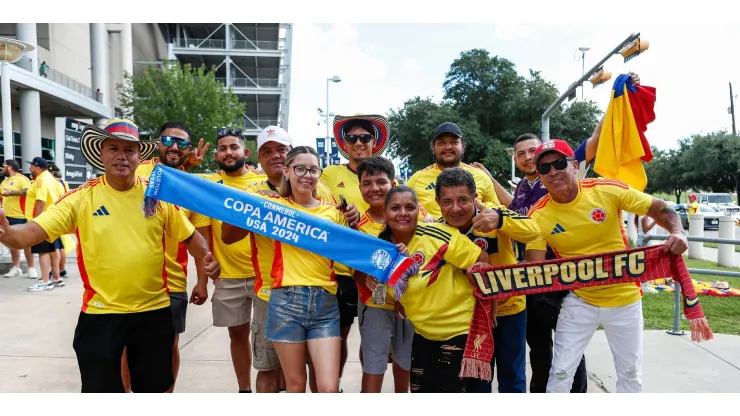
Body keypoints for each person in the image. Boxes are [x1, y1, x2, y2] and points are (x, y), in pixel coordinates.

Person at [0, 119, 221, 393]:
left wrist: (206, 256)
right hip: (101, 313)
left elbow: (190, 236)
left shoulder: (156, 197)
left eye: (129, 150)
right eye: (113, 148)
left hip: (153, 312)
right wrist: (6, 233)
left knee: (155, 391)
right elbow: (33, 231)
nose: (121, 156)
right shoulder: (81, 198)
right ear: (101, 154)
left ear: (139, 156)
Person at [525, 139, 688, 393]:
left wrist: (679, 233)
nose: (553, 172)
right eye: (544, 168)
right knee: (560, 373)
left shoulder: (606, 190)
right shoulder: (537, 215)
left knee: (630, 375)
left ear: (575, 165)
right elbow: (534, 268)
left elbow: (659, 207)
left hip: (625, 300)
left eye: (559, 163)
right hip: (580, 301)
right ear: (540, 177)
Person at [222, 146, 358, 393]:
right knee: (295, 385)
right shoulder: (272, 208)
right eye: (300, 169)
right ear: (286, 171)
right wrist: (254, 201)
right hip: (284, 303)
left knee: (328, 387)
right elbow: (230, 229)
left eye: (313, 170)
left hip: (325, 305)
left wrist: (355, 220)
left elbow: (355, 252)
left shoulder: (334, 212)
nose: (307, 175)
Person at [240, 126, 336, 393]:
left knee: (323, 380)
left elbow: (350, 239)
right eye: (267, 151)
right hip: (273, 295)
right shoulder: (257, 195)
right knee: (274, 373)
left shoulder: (326, 196)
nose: (275, 155)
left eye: (281, 149)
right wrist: (257, 209)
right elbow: (228, 233)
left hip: (323, 299)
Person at [432, 168, 545, 393]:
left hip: (509, 309)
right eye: (447, 201)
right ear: (437, 202)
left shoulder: (493, 214)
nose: (455, 208)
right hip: (467, 316)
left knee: (512, 375)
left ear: (475, 198)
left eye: (463, 200)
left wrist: (501, 220)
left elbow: (534, 230)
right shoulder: (436, 230)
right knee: (476, 380)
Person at [368, 186, 492, 392]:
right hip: (423, 334)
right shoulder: (379, 249)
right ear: (385, 212)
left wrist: (487, 306)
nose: (402, 213)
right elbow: (388, 291)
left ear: (419, 210)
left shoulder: (437, 235)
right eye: (395, 208)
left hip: (458, 331)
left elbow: (482, 259)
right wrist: (375, 282)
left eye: (410, 207)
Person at [127, 121, 210, 393]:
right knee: (127, 346)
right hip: (131, 279)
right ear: (157, 142)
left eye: (182, 143)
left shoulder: (192, 186)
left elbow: (199, 237)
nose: (174, 147)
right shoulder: (137, 170)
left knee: (168, 346)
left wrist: (202, 282)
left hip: (173, 282)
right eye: (169, 141)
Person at [320, 113, 392, 392]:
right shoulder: (329, 174)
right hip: (339, 269)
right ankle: (334, 386)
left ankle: (369, 385)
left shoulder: (386, 172)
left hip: (376, 270)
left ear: (374, 142)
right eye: (352, 138)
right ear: (344, 143)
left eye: (365, 137)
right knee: (338, 336)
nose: (359, 142)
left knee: (372, 339)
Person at [352, 156, 424, 393]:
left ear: (392, 183)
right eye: (367, 183)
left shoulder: (416, 216)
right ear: (360, 187)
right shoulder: (357, 225)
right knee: (373, 364)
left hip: (411, 307)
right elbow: (355, 271)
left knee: (406, 363)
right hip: (375, 305)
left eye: (380, 181)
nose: (374, 188)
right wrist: (367, 278)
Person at [407, 122, 500, 219]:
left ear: (463, 147)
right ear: (433, 147)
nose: (448, 147)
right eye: (441, 143)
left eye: (454, 142)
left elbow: (496, 215)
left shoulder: (481, 177)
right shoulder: (416, 180)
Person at [25, 157, 65, 292]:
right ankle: (56, 277)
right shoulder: (52, 179)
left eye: (31, 166)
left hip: (42, 221)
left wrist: (35, 222)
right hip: (52, 219)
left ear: (37, 167)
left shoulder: (41, 180)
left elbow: (41, 202)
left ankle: (45, 281)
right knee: (53, 250)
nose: (30, 169)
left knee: (43, 252)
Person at [1, 160, 37, 279]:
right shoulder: (4, 182)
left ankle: (31, 267)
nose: (2, 168)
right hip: (7, 216)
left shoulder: (22, 179)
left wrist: (11, 193)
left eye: (3, 166)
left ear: (10, 167)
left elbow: (28, 192)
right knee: (12, 242)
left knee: (26, 242)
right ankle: (16, 267)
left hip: (21, 215)